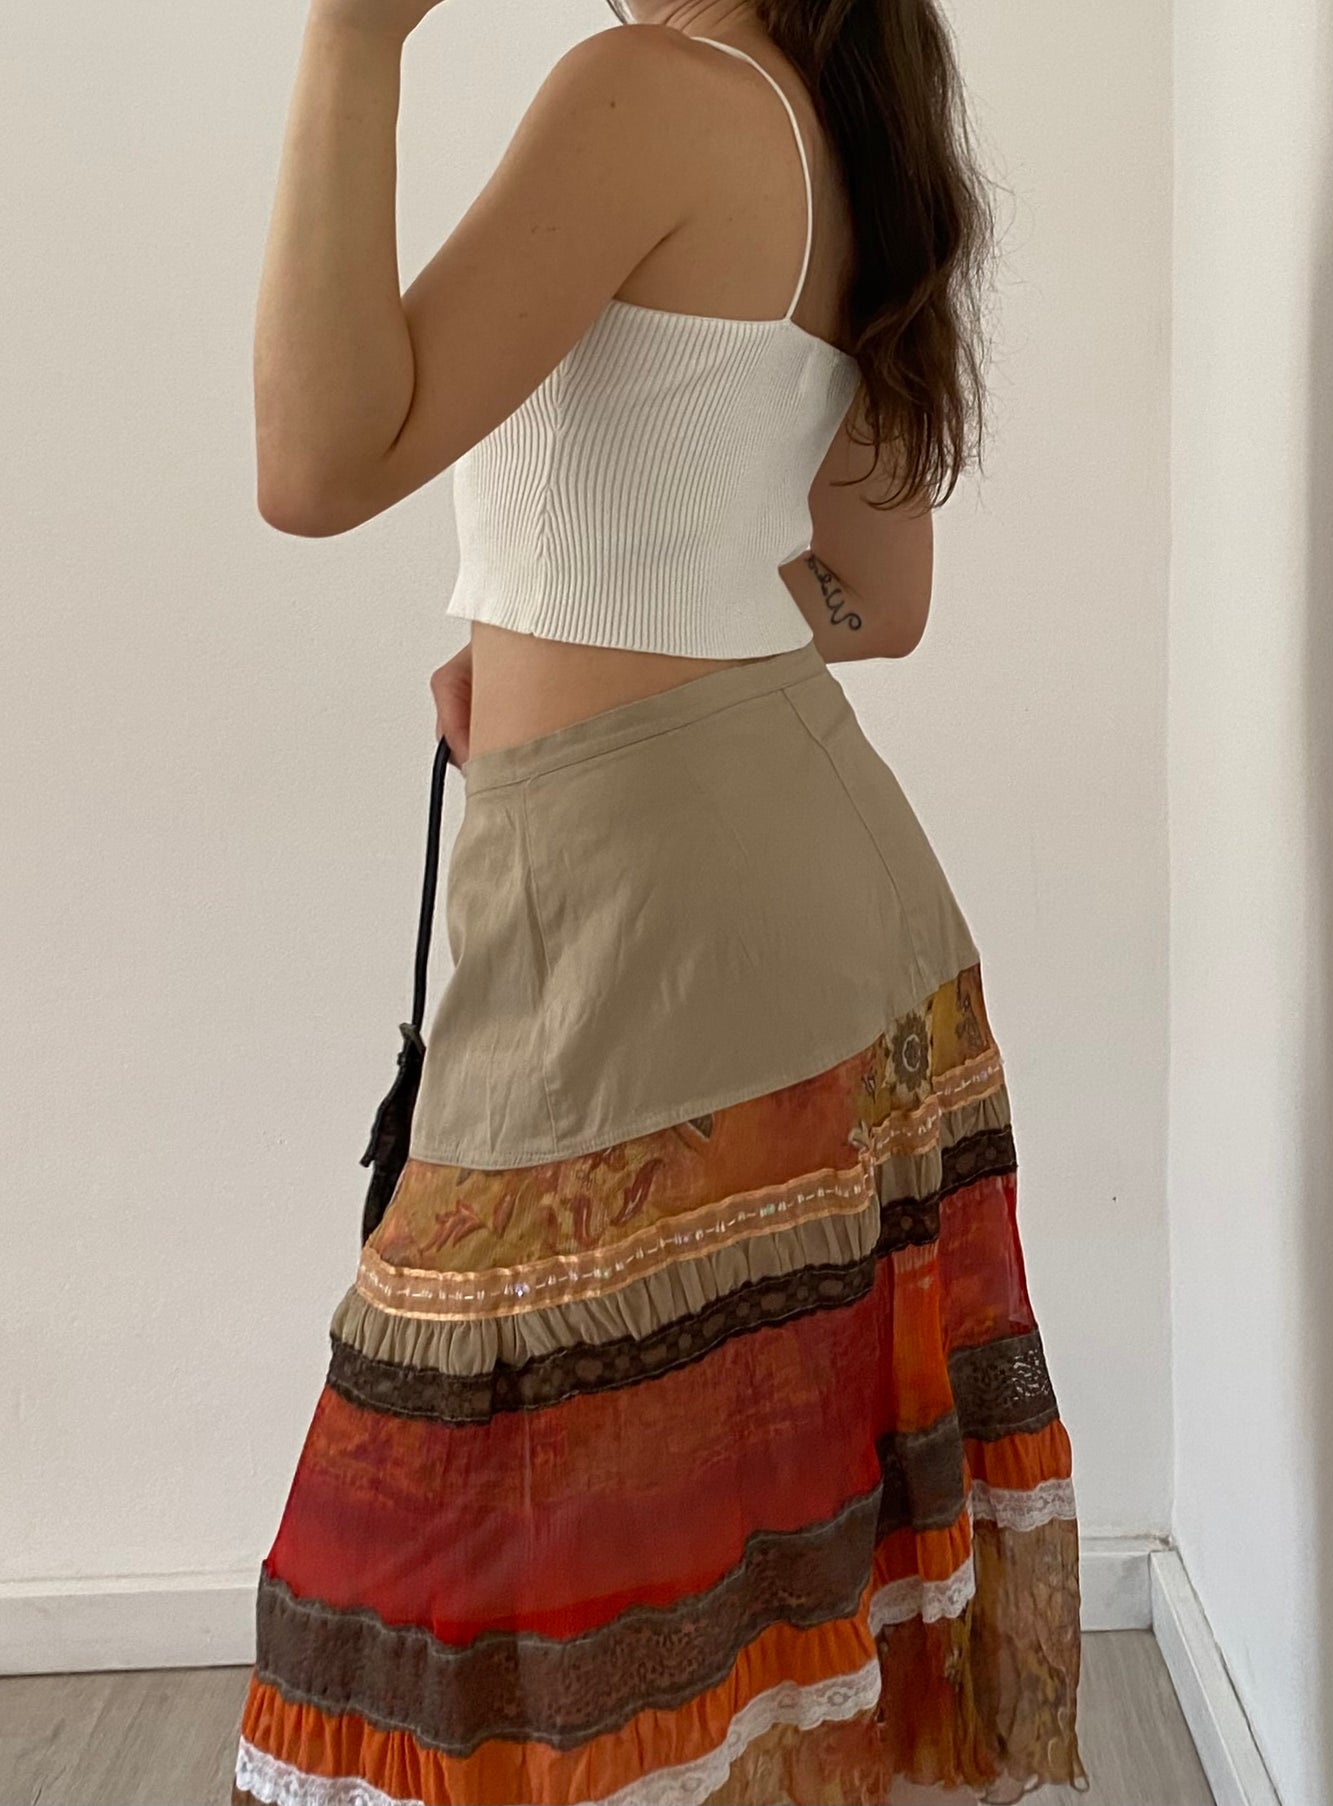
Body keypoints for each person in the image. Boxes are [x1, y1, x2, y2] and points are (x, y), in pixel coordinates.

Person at [232, 2, 1089, 1802]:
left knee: (487, 1538)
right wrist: (569, 625)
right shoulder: (837, 124)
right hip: (824, 917)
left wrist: (350, 41)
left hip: (643, 920)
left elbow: (314, 463)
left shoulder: (644, 91)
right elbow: (876, 600)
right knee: (733, 1549)